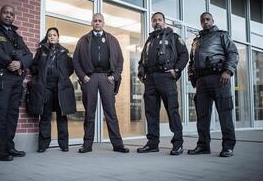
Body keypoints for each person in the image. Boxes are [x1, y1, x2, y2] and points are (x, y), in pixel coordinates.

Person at [0, 5, 32, 161]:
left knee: (12, 114)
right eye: (6, 13)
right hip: (1, 77)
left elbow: (29, 55)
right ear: (0, 14)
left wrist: (20, 64)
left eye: (11, 14)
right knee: (1, 113)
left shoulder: (17, 36)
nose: (9, 16)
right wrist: (10, 62)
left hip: (16, 79)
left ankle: (9, 147)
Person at [73, 13, 129, 153]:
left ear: (103, 23)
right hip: (90, 79)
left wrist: (114, 76)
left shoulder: (112, 39)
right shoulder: (83, 40)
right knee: (89, 112)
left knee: (110, 112)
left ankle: (118, 145)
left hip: (106, 78)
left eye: (100, 21)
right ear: (91, 23)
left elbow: (120, 60)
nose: (97, 23)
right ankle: (87, 145)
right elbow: (76, 60)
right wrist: (83, 76)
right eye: (95, 20)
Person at [187, 12, 239, 157]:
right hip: (201, 81)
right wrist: (192, 77)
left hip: (219, 78)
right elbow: (191, 62)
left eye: (208, 19)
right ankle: (203, 145)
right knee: (202, 115)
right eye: (202, 20)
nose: (205, 21)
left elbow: (233, 53)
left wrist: (228, 71)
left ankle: (228, 146)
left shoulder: (222, 35)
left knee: (225, 113)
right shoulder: (196, 41)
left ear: (213, 20)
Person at [137, 12, 188, 155]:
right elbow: (142, 59)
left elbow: (184, 54)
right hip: (150, 79)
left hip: (166, 77)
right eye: (154, 20)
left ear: (164, 22)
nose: (156, 22)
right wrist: (142, 73)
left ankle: (178, 144)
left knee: (172, 110)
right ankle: (153, 143)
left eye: (159, 20)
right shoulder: (149, 40)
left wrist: (176, 70)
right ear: (151, 23)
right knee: (151, 113)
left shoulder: (174, 37)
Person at [29, 27, 76, 153]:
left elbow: (70, 68)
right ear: (47, 37)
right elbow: (33, 66)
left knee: (62, 116)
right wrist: (39, 76)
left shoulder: (64, 52)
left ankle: (64, 144)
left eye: (54, 35)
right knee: (45, 115)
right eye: (50, 35)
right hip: (46, 87)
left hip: (60, 88)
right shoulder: (41, 51)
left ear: (58, 37)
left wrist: (63, 76)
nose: (52, 37)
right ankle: (43, 145)